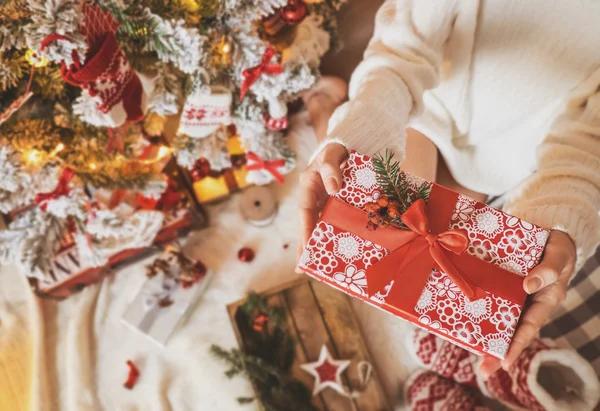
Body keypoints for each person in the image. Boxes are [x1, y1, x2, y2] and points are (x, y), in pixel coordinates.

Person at [298, 0, 600, 378]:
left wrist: (563, 221)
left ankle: (329, 109)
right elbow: (401, 54)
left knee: (429, 277)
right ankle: (324, 103)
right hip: (422, 109)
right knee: (355, 197)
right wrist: (360, 130)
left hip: (497, 164)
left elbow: (590, 144)